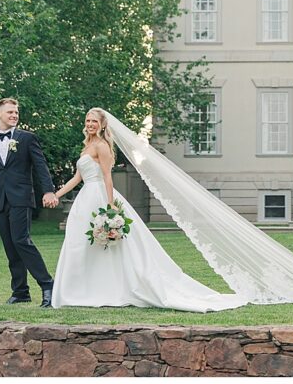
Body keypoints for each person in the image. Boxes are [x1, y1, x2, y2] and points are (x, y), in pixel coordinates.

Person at [50, 108, 248, 311]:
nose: (90, 124)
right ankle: (81, 289)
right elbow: (77, 177)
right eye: (88, 120)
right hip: (85, 198)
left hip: (100, 195)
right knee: (81, 243)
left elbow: (108, 177)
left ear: (102, 125)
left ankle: (109, 289)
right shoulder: (87, 146)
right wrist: (56, 195)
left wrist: (110, 206)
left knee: (110, 246)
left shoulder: (102, 146)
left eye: (94, 121)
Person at [0, 98, 60, 308]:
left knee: (21, 240)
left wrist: (49, 190)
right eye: (10, 112)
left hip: (21, 198)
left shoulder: (27, 138)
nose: (14, 115)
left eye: (16, 112)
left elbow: (40, 166)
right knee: (10, 246)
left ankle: (48, 285)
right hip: (0, 201)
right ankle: (20, 291)